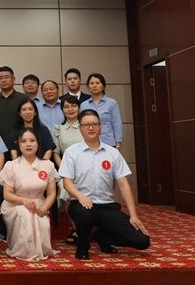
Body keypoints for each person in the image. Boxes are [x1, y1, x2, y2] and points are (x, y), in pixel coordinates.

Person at [58, 109, 150, 260]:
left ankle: (101, 237)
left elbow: (123, 185)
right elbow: (67, 183)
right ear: (80, 128)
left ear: (100, 126)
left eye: (94, 124)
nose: (91, 128)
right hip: (81, 204)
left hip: (107, 206)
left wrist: (133, 215)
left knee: (142, 241)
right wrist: (80, 197)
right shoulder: (71, 152)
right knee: (85, 213)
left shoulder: (112, 153)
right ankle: (83, 244)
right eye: (86, 125)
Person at [0, 128, 58, 261]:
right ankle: (22, 251)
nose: (28, 144)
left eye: (32, 140)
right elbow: (7, 194)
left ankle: (38, 249)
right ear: (18, 144)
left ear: (38, 143)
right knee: (25, 214)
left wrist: (44, 208)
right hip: (15, 205)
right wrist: (24, 201)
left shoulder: (48, 165)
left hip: (39, 204)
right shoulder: (11, 165)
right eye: (23, 141)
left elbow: (52, 193)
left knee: (40, 220)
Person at [52, 94, 84, 245]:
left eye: (73, 106)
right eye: (66, 107)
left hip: (86, 169)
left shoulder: (85, 126)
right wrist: (65, 170)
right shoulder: (58, 129)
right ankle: (76, 228)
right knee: (63, 187)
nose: (70, 109)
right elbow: (56, 153)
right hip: (66, 171)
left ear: (78, 108)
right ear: (62, 110)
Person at [0, 66, 29, 155]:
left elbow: (29, 121)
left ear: (13, 79)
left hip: (20, 145)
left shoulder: (23, 98)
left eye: (7, 77)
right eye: (0, 78)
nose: (3, 80)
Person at [81, 73, 123, 149]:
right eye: (91, 83)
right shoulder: (84, 105)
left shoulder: (112, 103)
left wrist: (118, 143)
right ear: (88, 86)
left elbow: (116, 124)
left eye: (97, 83)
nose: (94, 85)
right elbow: (82, 125)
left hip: (108, 143)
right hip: (88, 144)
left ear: (103, 85)